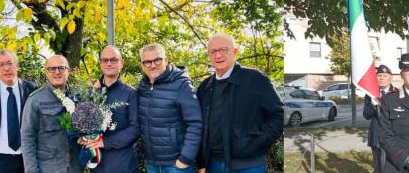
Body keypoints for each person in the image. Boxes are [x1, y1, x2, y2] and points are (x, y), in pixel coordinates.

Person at [195, 34, 283, 173]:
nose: (218, 55)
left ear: (235, 51)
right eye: (213, 51)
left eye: (223, 49)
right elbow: (199, 125)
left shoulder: (255, 79)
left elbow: (279, 115)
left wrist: (256, 142)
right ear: (209, 55)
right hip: (213, 164)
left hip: (249, 165)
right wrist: (201, 162)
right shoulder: (205, 87)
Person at [138, 43, 202, 173]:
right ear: (142, 65)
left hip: (176, 164)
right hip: (151, 162)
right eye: (147, 62)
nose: (153, 65)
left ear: (166, 61)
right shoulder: (143, 86)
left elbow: (195, 123)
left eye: (157, 60)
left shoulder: (181, 84)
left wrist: (186, 157)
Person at [20, 55, 84, 173]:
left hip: (75, 168)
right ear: (46, 72)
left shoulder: (79, 98)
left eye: (61, 68)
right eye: (52, 69)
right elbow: (27, 139)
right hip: (48, 168)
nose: (57, 72)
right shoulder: (35, 100)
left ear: (68, 71)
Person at [83, 46, 139, 173]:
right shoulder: (90, 93)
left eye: (113, 60)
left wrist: (105, 142)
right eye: (105, 60)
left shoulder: (131, 94)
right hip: (97, 166)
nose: (109, 63)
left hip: (122, 165)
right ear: (100, 63)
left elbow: (135, 129)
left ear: (121, 63)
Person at [363, 64, 397, 173]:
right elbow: (366, 115)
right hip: (376, 136)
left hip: (393, 136)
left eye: (385, 75)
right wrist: (373, 104)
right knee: (378, 165)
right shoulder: (370, 94)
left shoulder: (398, 93)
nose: (382, 78)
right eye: (379, 75)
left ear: (390, 77)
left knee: (393, 165)